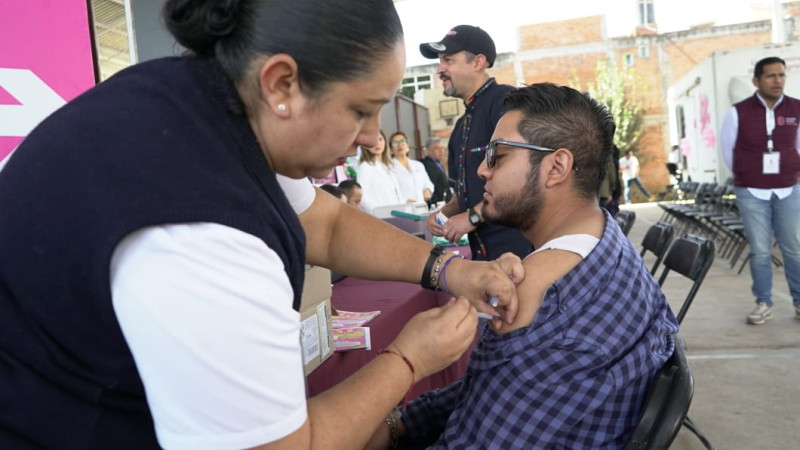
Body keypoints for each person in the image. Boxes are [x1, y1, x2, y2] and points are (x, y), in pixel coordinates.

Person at [0, 1, 526, 448]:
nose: (372, 137)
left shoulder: (207, 106)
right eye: (362, 110)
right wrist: (410, 360)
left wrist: (447, 272)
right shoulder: (198, 227)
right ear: (282, 84)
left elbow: (326, 224)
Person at [366, 84, 679, 449]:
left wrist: (405, 364)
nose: (483, 170)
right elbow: (486, 392)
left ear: (557, 167)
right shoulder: (605, 238)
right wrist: (400, 423)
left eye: (496, 154)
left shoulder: (534, 293)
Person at [420, 25, 530, 261]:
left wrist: (472, 217)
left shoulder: (505, 101)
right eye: (440, 61)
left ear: (478, 62)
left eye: (448, 60)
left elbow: (526, 176)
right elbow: (467, 191)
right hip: (486, 256)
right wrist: (443, 213)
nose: (440, 69)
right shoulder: (460, 126)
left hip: (521, 253)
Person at [720, 56, 800, 325]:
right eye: (771, 76)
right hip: (752, 191)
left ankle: (799, 303)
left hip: (789, 189)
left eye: (781, 75)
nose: (778, 80)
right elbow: (728, 151)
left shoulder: (796, 109)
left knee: (793, 249)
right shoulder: (737, 112)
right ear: (756, 80)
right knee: (760, 251)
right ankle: (763, 302)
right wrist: (747, 174)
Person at [357, 129, 407, 214]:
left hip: (395, 215)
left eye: (380, 139)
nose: (377, 144)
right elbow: (362, 196)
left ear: (385, 142)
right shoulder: (366, 166)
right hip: (380, 216)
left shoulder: (387, 166)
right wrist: (378, 212)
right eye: (373, 140)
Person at [388, 131, 434, 204]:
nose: (399, 145)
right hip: (402, 208)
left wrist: (428, 190)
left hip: (421, 207)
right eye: (395, 143)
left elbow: (428, 183)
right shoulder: (388, 167)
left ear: (407, 146)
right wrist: (405, 200)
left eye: (402, 141)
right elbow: (388, 192)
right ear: (391, 149)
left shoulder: (418, 165)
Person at [420, 137, 453, 207]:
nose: (441, 151)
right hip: (437, 205)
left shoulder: (438, 164)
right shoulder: (428, 165)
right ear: (428, 151)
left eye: (442, 148)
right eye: (437, 148)